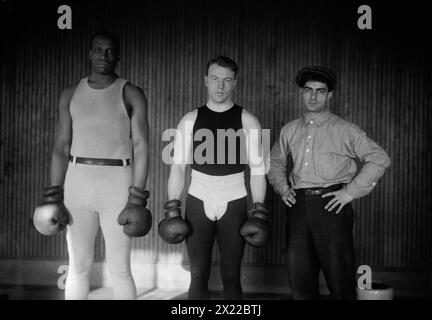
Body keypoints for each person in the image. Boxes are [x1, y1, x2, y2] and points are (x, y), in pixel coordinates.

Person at [33, 31, 152, 300]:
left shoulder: (131, 93)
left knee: (120, 269)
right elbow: (61, 148)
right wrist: (54, 195)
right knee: (78, 266)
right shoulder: (70, 94)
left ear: (118, 56)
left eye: (110, 51)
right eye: (99, 50)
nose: (104, 55)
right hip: (78, 183)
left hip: (117, 184)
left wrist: (137, 197)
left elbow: (142, 148)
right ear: (90, 53)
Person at [267, 65, 391, 300]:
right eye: (308, 90)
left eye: (320, 91)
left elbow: (379, 158)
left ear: (330, 95)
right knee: (300, 279)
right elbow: (275, 163)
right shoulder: (289, 130)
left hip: (332, 205)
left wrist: (350, 192)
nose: (313, 96)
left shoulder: (345, 130)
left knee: (340, 279)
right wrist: (283, 188)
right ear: (302, 93)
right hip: (298, 206)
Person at [158, 56, 270, 300]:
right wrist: (173, 207)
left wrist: (259, 209)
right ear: (206, 81)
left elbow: (258, 170)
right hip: (199, 199)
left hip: (235, 200)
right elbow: (177, 168)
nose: (220, 86)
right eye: (215, 79)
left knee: (232, 276)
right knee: (198, 276)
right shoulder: (190, 120)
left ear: (235, 84)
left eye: (227, 80)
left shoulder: (247, 120)